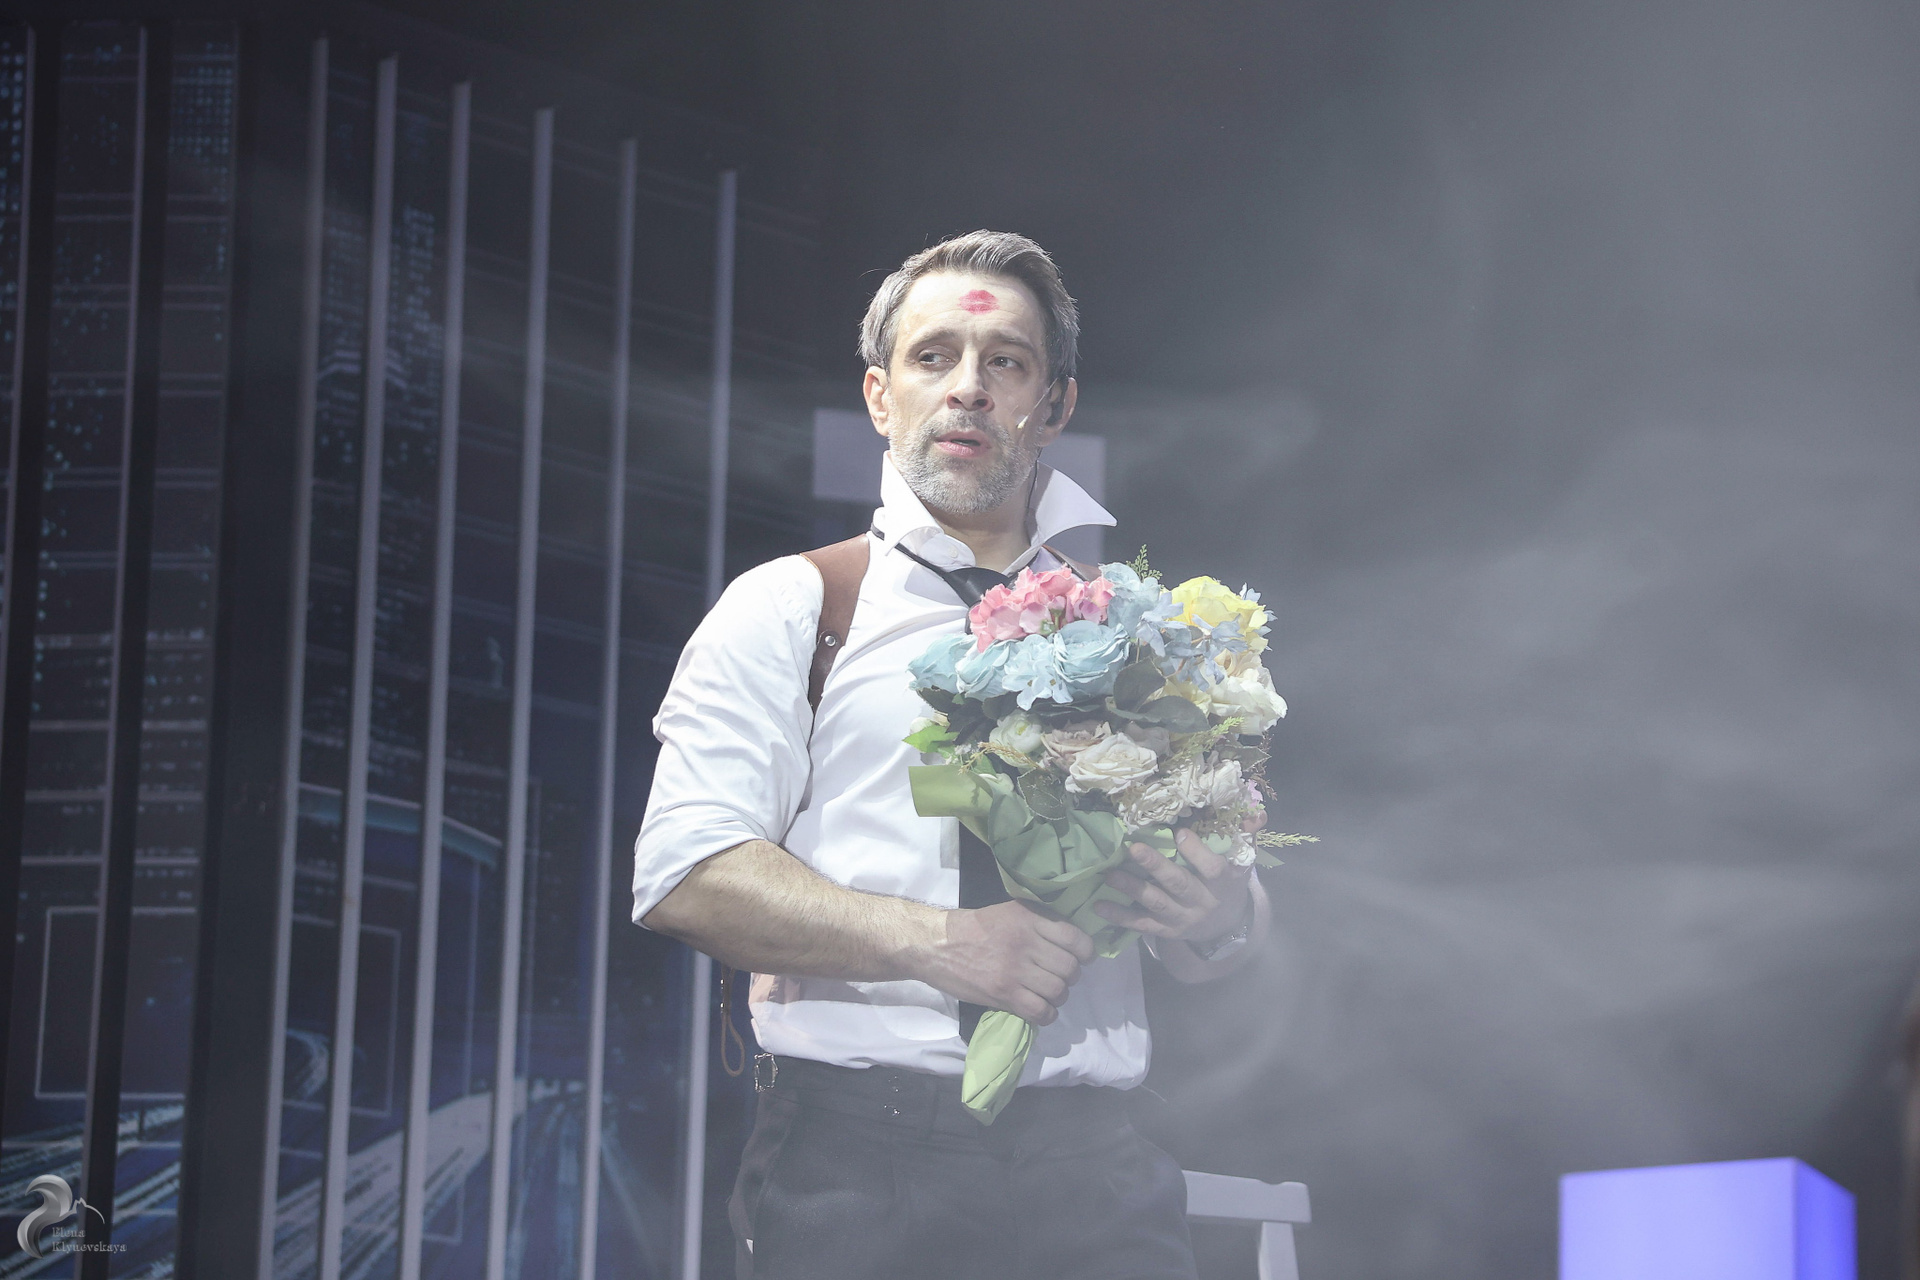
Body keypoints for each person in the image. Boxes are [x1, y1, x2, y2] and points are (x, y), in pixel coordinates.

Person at [632, 230, 1273, 1280]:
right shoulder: (796, 606)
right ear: (880, 396)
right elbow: (685, 875)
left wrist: (1219, 913)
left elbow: (1220, 930)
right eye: (933, 357)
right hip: (859, 1168)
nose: (968, 387)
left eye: (1005, 362)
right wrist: (943, 942)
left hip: (1100, 1175)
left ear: (1054, 405)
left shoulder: (1143, 636)